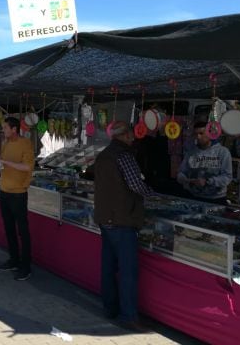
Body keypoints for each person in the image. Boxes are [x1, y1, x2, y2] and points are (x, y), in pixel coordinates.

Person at [93, 120, 156, 332]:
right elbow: (136, 185)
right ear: (125, 135)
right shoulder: (124, 156)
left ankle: (110, 309)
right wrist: (155, 196)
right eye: (130, 134)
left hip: (105, 219)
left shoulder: (103, 155)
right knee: (128, 272)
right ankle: (129, 316)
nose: (133, 137)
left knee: (108, 268)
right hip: (122, 220)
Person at [0, 116, 34, 281]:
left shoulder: (25, 144)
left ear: (14, 129)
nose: (3, 130)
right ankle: (14, 260)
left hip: (18, 193)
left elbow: (27, 167)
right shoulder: (6, 143)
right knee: (9, 228)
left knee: (22, 231)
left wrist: (5, 163)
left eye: (5, 128)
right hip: (4, 191)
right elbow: (4, 163)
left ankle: (26, 267)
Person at [176, 121, 233, 205]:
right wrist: (187, 180)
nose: (198, 137)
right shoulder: (191, 152)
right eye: (195, 134)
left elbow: (227, 177)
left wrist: (208, 181)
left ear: (210, 134)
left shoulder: (222, 152)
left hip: (216, 199)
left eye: (201, 133)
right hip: (194, 197)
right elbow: (181, 173)